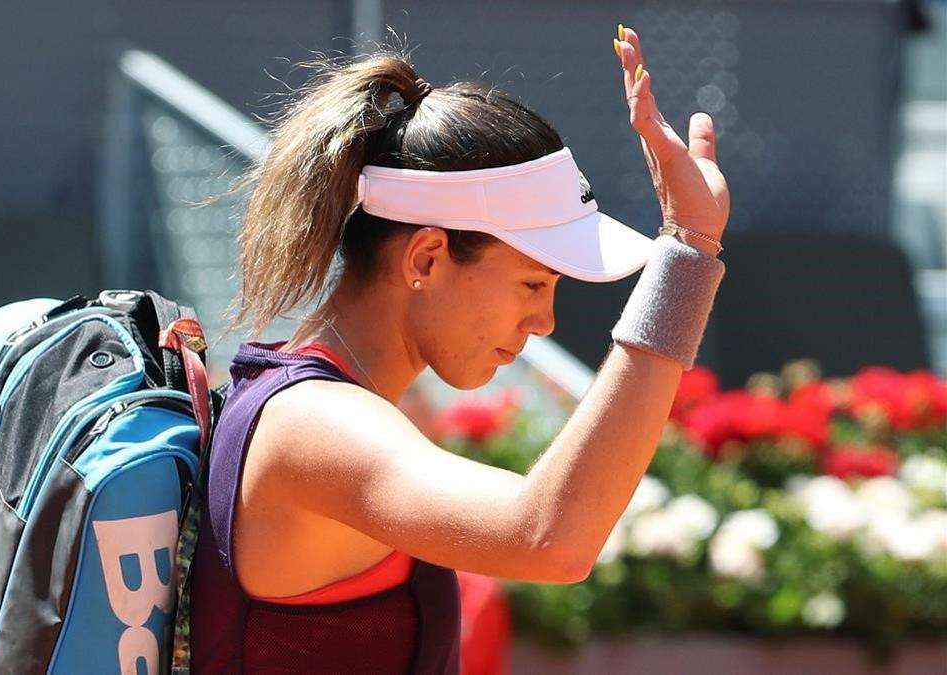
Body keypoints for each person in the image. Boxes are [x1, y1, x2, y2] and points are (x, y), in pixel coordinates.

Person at [189, 25, 729, 674]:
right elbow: (549, 537)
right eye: (533, 281)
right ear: (426, 257)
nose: (545, 320)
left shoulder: (323, 403)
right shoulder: (317, 426)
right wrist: (690, 249)